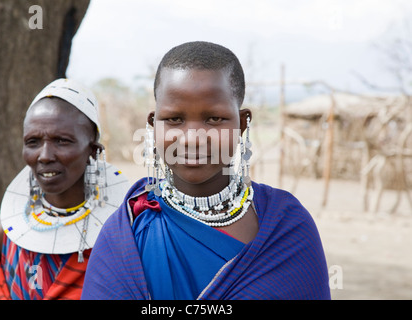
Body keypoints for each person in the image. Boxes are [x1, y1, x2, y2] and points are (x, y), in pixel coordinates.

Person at [81, 41, 331, 300]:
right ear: (153, 125)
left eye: (214, 119)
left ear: (242, 123)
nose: (193, 138)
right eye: (174, 119)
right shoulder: (128, 234)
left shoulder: (287, 226)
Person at [0, 78, 129, 300]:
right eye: (33, 142)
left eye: (62, 141)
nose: (44, 156)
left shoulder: (122, 237)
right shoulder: (3, 234)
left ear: (93, 150)